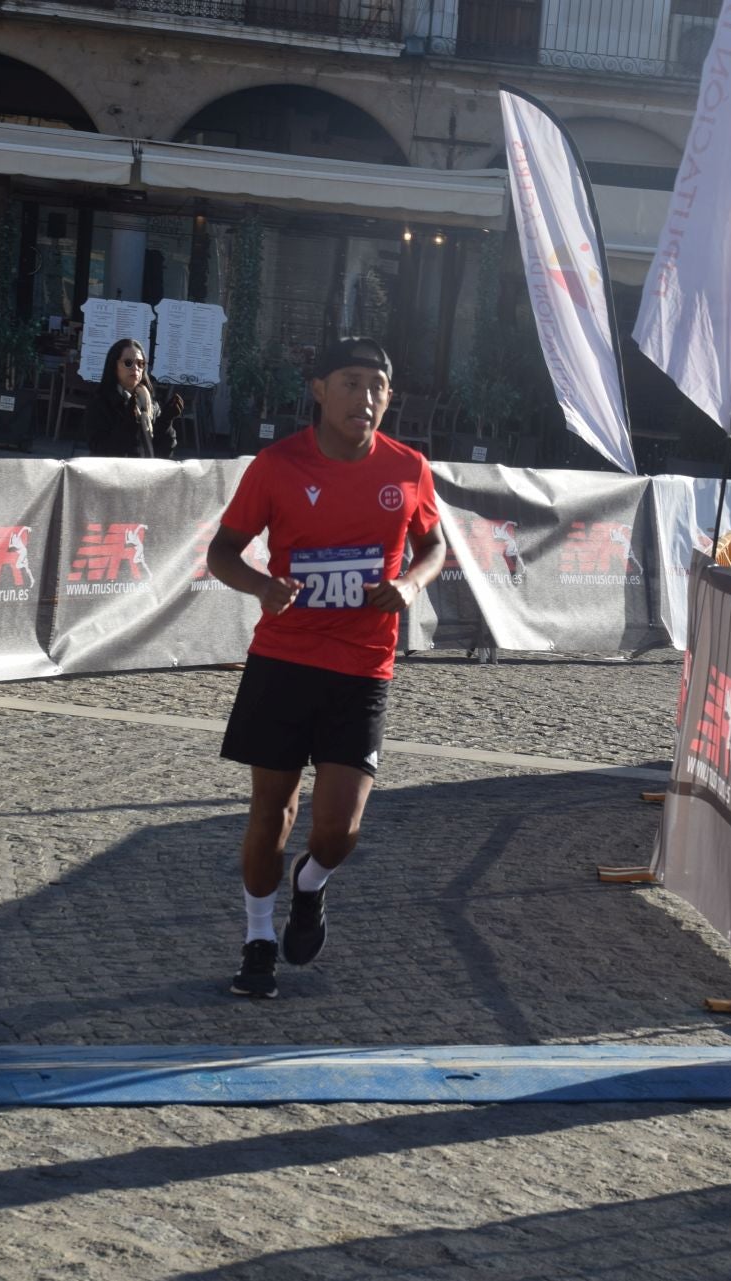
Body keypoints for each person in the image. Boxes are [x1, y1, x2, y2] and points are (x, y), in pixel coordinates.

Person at [207, 337, 445, 999]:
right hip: (283, 661)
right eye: (349, 382)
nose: (364, 397)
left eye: (376, 385)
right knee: (272, 813)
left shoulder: (408, 468)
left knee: (339, 831)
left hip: (363, 669)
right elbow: (222, 552)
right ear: (318, 390)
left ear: (389, 397)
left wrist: (411, 584)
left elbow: (433, 545)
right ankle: (258, 939)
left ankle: (309, 883)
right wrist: (262, 586)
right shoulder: (277, 465)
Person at [84, 337, 183, 459]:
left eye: (140, 363)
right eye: (128, 362)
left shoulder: (150, 403)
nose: (135, 368)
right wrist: (128, 423)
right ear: (114, 366)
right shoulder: (100, 403)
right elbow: (101, 452)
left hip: (147, 469)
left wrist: (166, 422)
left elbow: (163, 454)